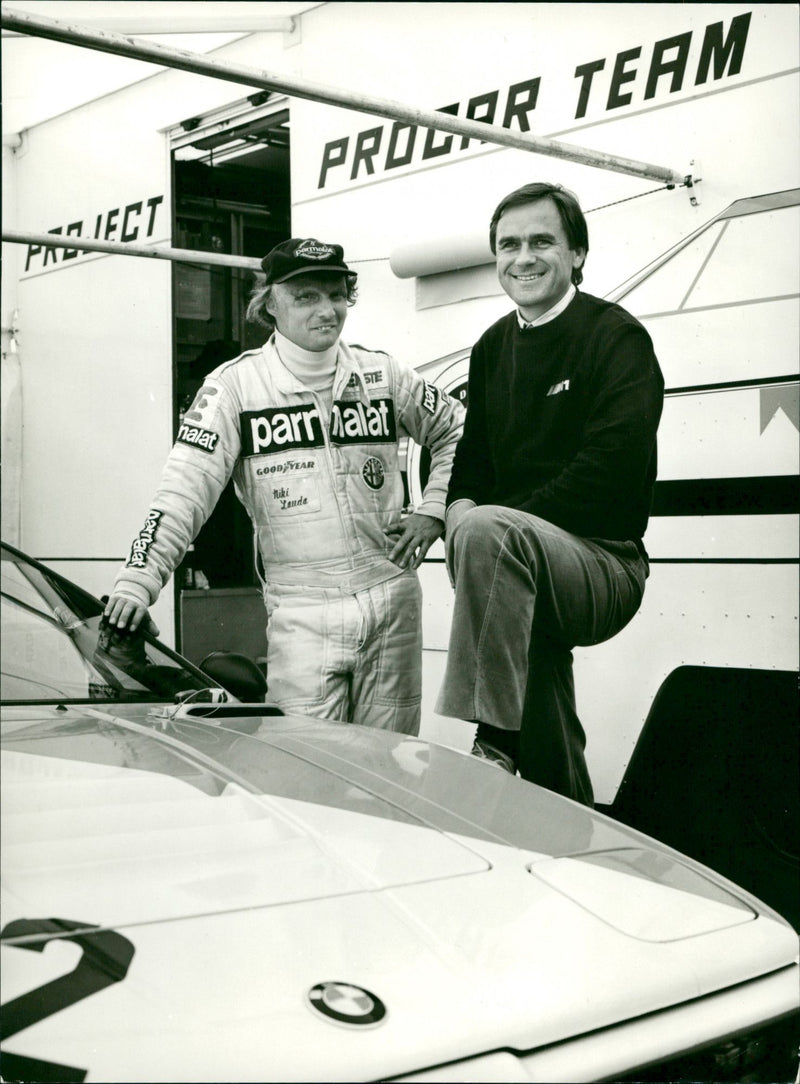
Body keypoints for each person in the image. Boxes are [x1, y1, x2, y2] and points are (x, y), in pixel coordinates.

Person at [105, 237, 464, 733]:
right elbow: (183, 492)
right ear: (269, 304)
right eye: (306, 297)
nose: (328, 310)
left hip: (392, 600)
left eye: (337, 295)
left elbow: (457, 430)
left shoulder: (383, 374)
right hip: (303, 609)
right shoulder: (234, 388)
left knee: (392, 770)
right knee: (306, 770)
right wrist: (137, 581)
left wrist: (435, 506)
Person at [435, 182, 664, 805]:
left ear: (578, 254)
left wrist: (488, 533)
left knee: (489, 532)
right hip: (515, 563)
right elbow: (470, 464)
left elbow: (609, 474)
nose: (523, 258)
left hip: (605, 565)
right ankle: (572, 828)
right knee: (541, 704)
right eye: (508, 245)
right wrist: (457, 518)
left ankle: (493, 740)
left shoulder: (616, 338)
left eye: (542, 241)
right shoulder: (490, 348)